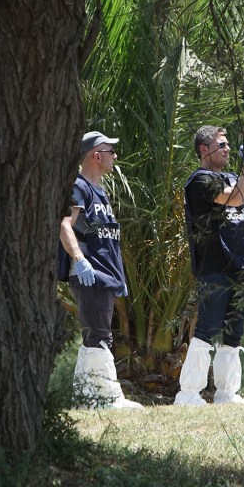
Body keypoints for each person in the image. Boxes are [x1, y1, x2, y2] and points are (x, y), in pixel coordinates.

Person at [174, 126, 244, 406]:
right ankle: (189, 393)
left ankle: (227, 393)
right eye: (221, 145)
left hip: (240, 263)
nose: (228, 149)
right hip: (214, 264)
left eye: (229, 145)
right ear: (204, 150)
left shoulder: (232, 177)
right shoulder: (199, 181)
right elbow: (235, 198)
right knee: (207, 328)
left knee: (233, 332)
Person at [59, 131, 143, 410]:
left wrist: (118, 275)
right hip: (90, 274)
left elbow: (107, 238)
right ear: (96, 156)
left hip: (105, 276)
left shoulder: (100, 192)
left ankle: (87, 398)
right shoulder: (79, 187)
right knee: (99, 336)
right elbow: (64, 225)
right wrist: (79, 259)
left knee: (94, 335)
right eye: (111, 151)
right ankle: (106, 399)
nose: (115, 156)